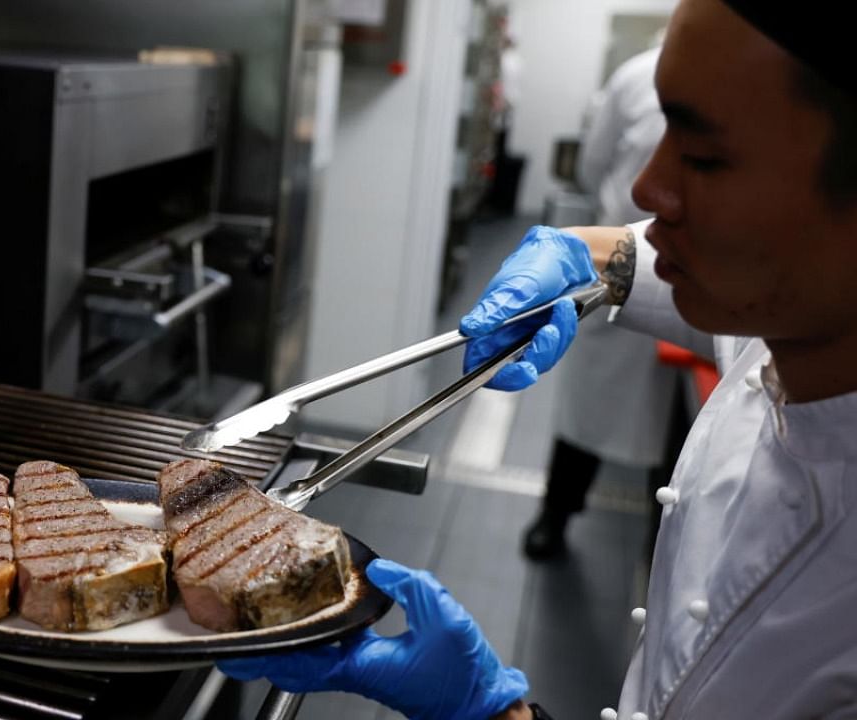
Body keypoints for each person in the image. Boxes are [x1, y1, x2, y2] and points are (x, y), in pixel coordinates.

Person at [220, 0, 857, 717]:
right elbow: (649, 248)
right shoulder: (789, 323)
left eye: (704, 156)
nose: (646, 189)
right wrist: (583, 252)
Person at [522, 42, 681, 559]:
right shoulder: (637, 75)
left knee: (682, 446)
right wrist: (596, 252)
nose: (654, 185)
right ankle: (556, 514)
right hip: (621, 267)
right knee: (589, 410)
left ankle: (661, 549)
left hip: (693, 279)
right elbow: (593, 167)